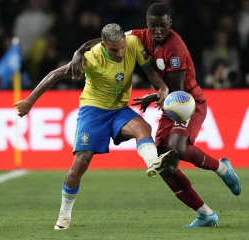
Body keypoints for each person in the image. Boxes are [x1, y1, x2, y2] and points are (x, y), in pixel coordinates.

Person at [68, 3, 242, 228]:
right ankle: (205, 214)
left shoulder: (175, 47)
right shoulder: (140, 36)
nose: (157, 30)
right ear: (147, 25)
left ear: (170, 23)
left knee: (178, 147)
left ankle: (222, 168)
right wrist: (79, 51)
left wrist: (156, 94)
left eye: (162, 26)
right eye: (153, 26)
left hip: (186, 101)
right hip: (169, 103)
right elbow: (105, 43)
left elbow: (176, 89)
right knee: (165, 166)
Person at [13, 23, 179, 230]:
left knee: (143, 128)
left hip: (118, 108)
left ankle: (153, 162)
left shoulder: (133, 43)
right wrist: (30, 101)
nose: (120, 54)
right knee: (81, 162)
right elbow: (55, 74)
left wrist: (162, 87)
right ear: (103, 45)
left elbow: (149, 70)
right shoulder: (91, 58)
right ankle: (64, 215)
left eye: (122, 48)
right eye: (113, 50)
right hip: (93, 110)